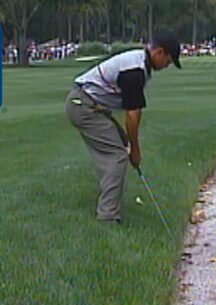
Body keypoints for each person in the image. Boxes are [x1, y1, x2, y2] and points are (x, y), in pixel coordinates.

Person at [65, 32, 182, 223]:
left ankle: (108, 200)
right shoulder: (134, 70)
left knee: (121, 144)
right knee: (117, 155)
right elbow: (132, 114)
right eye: (168, 61)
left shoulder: (139, 62)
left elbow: (134, 113)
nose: (167, 66)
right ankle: (108, 215)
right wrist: (135, 150)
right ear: (159, 52)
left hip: (90, 105)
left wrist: (132, 145)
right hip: (83, 106)